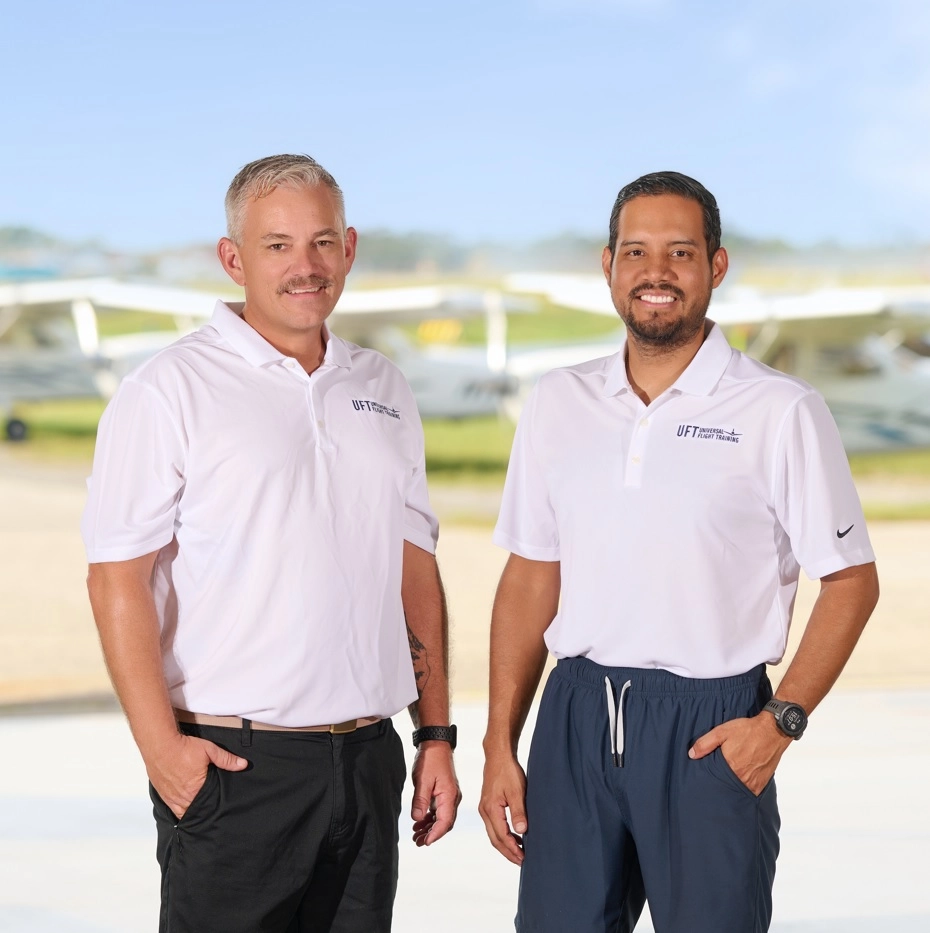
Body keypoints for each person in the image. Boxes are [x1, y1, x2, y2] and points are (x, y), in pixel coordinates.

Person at [479, 171, 879, 933]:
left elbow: (852, 581)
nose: (655, 272)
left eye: (680, 253)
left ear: (715, 267)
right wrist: (502, 743)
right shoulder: (559, 401)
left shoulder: (779, 409)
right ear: (608, 265)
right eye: (636, 251)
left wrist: (779, 723)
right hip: (574, 719)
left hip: (711, 725)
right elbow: (532, 572)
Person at [82, 153, 460, 933]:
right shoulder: (169, 389)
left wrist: (434, 735)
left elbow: (413, 568)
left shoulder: (382, 387)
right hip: (232, 767)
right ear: (234, 258)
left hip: (366, 761)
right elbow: (117, 578)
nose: (306, 266)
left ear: (349, 248)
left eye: (323, 242)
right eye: (278, 245)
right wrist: (165, 754)